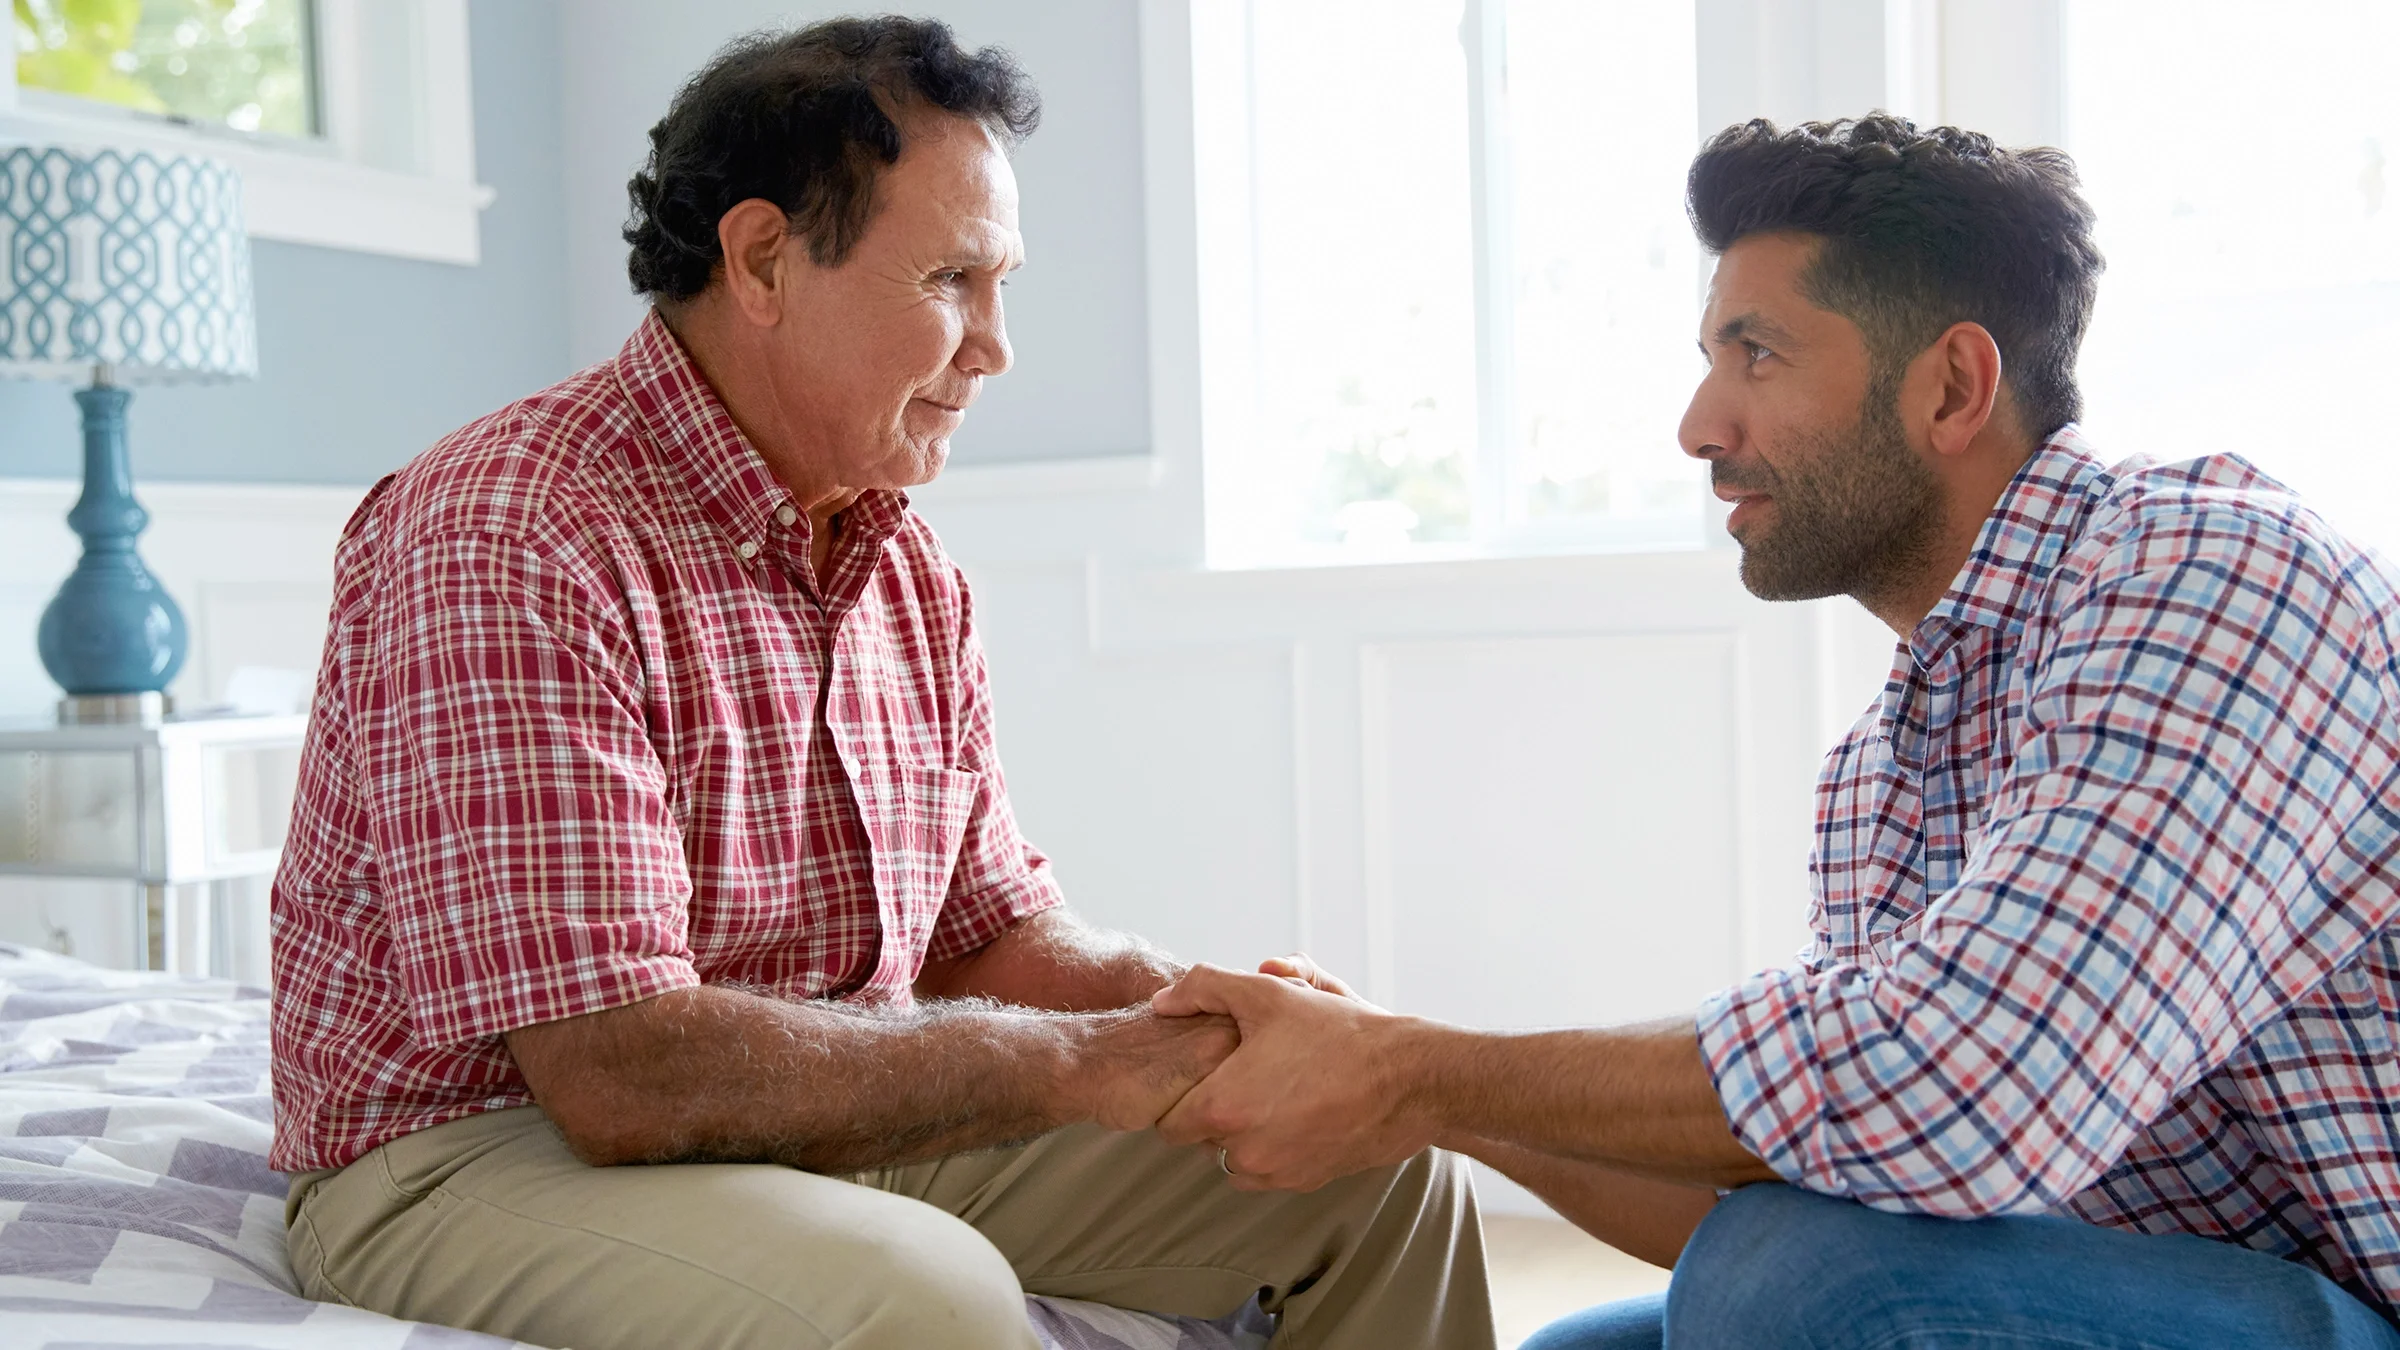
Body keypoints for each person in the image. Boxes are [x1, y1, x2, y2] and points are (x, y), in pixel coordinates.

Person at [266, 18, 1492, 1350]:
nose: (996, 346)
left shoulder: (905, 568)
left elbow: (987, 934)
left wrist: (1218, 1013)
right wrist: (1085, 1066)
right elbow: (615, 1071)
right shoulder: (512, 531)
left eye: (1001, 283)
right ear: (763, 260)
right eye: (953, 279)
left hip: (814, 1114)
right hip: (473, 1150)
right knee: (922, 1297)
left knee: (1378, 1170)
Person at [1154, 115, 2400, 1349]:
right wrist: (1415, 1093)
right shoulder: (1885, 770)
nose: (1700, 426)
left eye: (1757, 354)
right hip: (2166, 1290)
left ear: (1952, 389)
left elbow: (1961, 1084)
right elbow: (1793, 1173)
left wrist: (1415, 1067)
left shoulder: (2213, 580)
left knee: (1794, 1280)